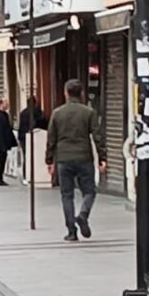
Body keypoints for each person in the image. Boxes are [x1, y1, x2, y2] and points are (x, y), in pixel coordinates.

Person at [45, 79, 107, 242]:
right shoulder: (88, 112)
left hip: (64, 159)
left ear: (66, 93)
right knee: (89, 191)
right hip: (84, 157)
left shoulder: (57, 113)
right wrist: (103, 157)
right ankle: (83, 214)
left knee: (67, 195)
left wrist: (49, 160)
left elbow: (51, 138)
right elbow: (97, 136)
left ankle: (71, 231)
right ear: (81, 94)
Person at [0, 99, 18, 186]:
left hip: (3, 143)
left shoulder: (3, 115)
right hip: (0, 144)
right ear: (1, 104)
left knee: (2, 160)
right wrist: (1, 144)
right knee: (0, 161)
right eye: (6, 103)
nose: (8, 105)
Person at [18, 96, 47, 173]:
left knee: (26, 156)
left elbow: (20, 126)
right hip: (36, 137)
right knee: (36, 156)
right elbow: (43, 123)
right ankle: (36, 172)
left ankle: (26, 173)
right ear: (35, 102)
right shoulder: (37, 112)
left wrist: (20, 137)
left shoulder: (22, 113)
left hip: (24, 137)